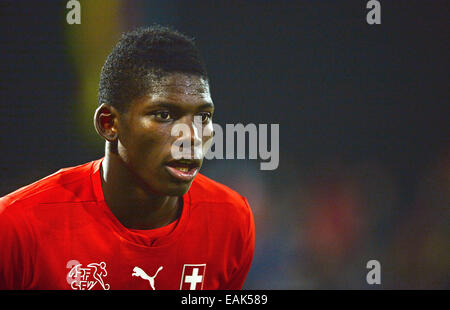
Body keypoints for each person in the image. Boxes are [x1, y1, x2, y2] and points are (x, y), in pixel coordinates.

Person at [0, 25, 255, 290]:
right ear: (109, 124)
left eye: (203, 117)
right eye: (164, 115)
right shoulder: (16, 227)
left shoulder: (231, 220)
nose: (190, 137)